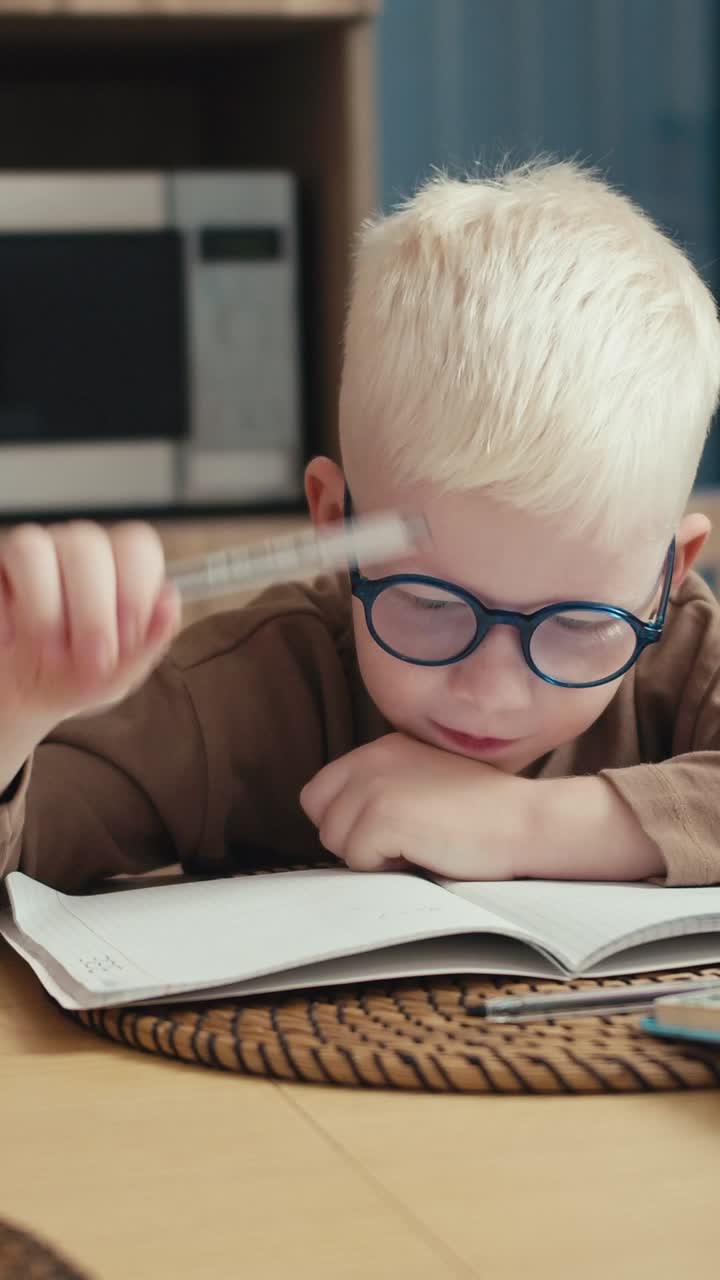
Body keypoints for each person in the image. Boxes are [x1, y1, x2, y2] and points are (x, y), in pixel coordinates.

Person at [2, 158, 720, 893]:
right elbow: (23, 844)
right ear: (332, 520)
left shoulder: (684, 656)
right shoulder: (239, 695)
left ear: (667, 573)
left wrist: (525, 823)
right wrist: (14, 712)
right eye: (432, 606)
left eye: (578, 623)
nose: (491, 691)